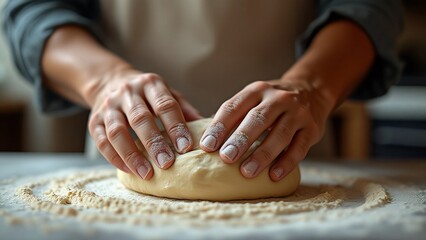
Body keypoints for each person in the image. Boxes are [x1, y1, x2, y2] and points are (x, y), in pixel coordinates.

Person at [3, 0, 403, 181]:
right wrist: (103, 80)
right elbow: (32, 9)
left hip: (288, 142)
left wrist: (312, 88)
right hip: (130, 141)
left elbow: (371, 6)